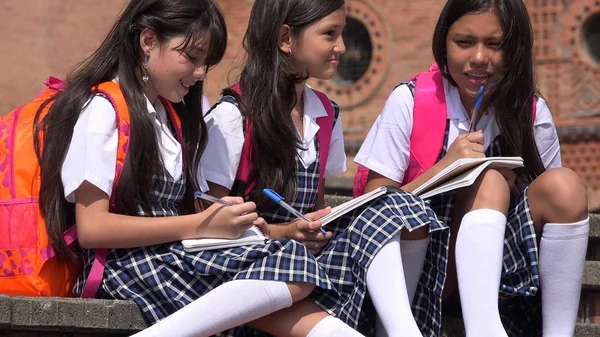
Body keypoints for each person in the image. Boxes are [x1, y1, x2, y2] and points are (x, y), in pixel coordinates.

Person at [34, 1, 358, 336]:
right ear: (148, 41)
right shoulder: (104, 109)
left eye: (206, 62)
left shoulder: (168, 116)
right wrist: (203, 225)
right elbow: (92, 228)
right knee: (294, 267)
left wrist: (223, 216)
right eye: (191, 57)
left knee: (299, 285)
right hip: (130, 266)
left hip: (173, 255)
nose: (201, 73)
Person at [202, 0, 445, 336]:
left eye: (342, 33)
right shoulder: (233, 117)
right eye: (330, 34)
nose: (341, 47)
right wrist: (282, 233)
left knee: (393, 204)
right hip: (245, 275)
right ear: (286, 38)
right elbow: (207, 228)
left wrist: (314, 227)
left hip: (303, 267)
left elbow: (313, 209)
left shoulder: (325, 114)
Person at [355, 0, 589, 336]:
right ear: (443, 42)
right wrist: (447, 168)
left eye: (495, 44)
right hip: (418, 273)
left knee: (563, 185)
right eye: (464, 42)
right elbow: (374, 208)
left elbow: (548, 207)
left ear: (516, 49)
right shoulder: (410, 100)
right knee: (489, 180)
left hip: (502, 277)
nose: (479, 58)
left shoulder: (531, 111)